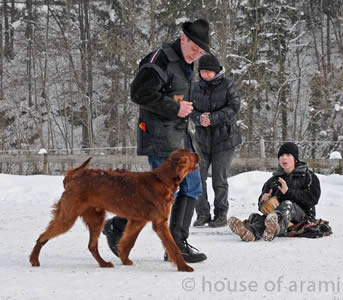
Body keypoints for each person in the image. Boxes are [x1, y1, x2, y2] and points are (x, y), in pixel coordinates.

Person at [102, 19, 211, 263]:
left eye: (201, 52)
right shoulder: (159, 59)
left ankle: (173, 242)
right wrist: (175, 108)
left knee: (190, 187)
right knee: (161, 194)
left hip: (179, 136)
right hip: (159, 137)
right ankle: (126, 230)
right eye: (194, 48)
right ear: (183, 39)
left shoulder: (185, 63)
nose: (196, 55)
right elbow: (139, 93)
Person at [228, 142, 321, 241]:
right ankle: (250, 232)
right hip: (276, 215)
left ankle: (275, 229)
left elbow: (313, 198)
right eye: (281, 155)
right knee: (261, 218)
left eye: (288, 155)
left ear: (295, 158)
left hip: (303, 216)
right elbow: (262, 204)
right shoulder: (273, 180)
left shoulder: (309, 176)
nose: (284, 158)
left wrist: (288, 192)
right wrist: (263, 201)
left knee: (287, 205)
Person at [191, 54, 241, 228]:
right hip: (202, 140)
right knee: (197, 177)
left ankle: (220, 214)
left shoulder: (228, 85)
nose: (205, 75)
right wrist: (199, 118)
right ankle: (202, 214)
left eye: (209, 72)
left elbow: (234, 106)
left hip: (224, 139)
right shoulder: (194, 87)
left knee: (219, 179)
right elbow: (190, 109)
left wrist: (213, 118)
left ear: (216, 71)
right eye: (203, 72)